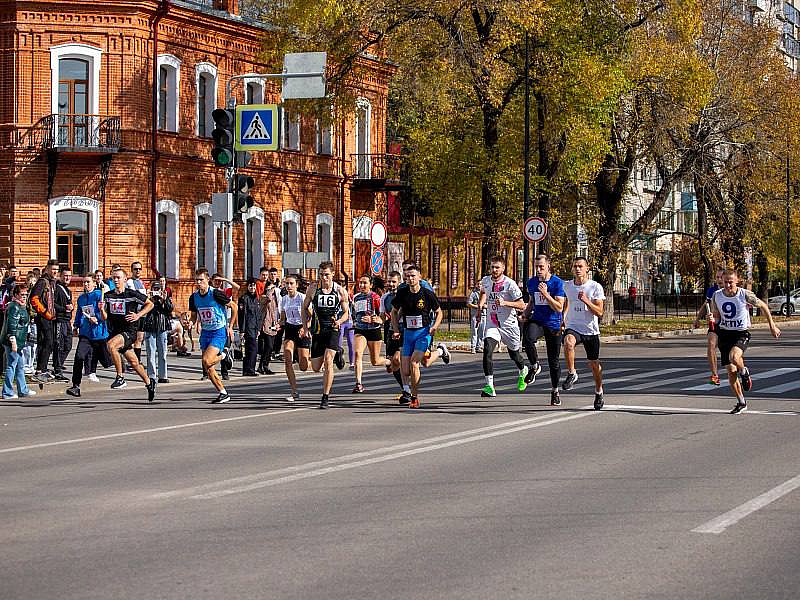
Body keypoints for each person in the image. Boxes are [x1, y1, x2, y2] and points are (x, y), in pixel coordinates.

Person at [710, 268, 781, 414]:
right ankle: (741, 402)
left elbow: (763, 306)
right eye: (725, 282)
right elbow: (717, 317)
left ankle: (744, 371)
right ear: (721, 281)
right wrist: (712, 319)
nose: (728, 285)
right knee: (731, 372)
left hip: (740, 333)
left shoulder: (744, 294)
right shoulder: (716, 296)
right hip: (725, 334)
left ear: (737, 281)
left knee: (734, 357)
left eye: (731, 282)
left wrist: (772, 326)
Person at [390, 264, 449, 408]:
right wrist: (396, 329)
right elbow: (394, 312)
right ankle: (441, 351)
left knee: (414, 363)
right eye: (408, 276)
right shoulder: (403, 292)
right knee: (406, 371)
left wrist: (434, 327)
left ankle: (414, 398)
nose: (410, 279)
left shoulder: (427, 293)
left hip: (423, 333)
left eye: (413, 276)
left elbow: (439, 312)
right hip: (408, 334)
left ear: (419, 277)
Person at [101, 267, 157, 401]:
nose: (115, 280)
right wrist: (101, 309)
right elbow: (105, 316)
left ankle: (120, 377)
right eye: (113, 278)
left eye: (118, 277)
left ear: (125, 280)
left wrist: (138, 315)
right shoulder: (108, 296)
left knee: (111, 346)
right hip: (116, 331)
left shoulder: (131, 294)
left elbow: (150, 304)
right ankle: (149, 383)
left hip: (129, 331)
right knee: (134, 362)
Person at [476, 256, 528, 398]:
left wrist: (505, 303)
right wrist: (480, 309)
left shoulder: (510, 284)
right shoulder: (486, 281)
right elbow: (483, 293)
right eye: (492, 267)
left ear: (503, 268)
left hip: (509, 325)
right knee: (487, 349)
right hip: (492, 323)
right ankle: (490, 386)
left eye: (497, 267)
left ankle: (523, 369)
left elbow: (522, 305)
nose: (494, 270)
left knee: (514, 355)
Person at [301, 261, 349, 409]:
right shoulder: (313, 289)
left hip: (333, 330)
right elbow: (304, 308)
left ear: (333, 274)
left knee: (328, 361)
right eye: (321, 274)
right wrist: (306, 328)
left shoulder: (340, 291)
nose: (324, 277)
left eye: (326, 274)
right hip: (317, 330)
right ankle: (339, 352)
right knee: (316, 367)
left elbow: (347, 313)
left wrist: (339, 321)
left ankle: (325, 397)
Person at [521, 254, 566, 405]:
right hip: (538, 320)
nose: (538, 270)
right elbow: (532, 302)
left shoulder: (557, 283)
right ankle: (534, 366)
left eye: (541, 267)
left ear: (548, 266)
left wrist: (546, 294)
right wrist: (525, 314)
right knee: (528, 338)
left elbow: (559, 307)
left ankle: (555, 391)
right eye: (536, 267)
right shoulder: (532, 282)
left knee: (554, 361)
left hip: (553, 323)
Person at [562, 257, 606, 410]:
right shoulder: (567, 286)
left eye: (580, 266)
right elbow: (567, 302)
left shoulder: (595, 287)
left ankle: (599, 391)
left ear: (587, 268)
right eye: (575, 266)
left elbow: (600, 312)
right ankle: (572, 373)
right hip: (573, 326)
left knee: (594, 364)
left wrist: (587, 301)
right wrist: (563, 317)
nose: (577, 269)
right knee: (568, 342)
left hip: (590, 330)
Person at [190, 268, 237, 403]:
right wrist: (190, 323)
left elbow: (233, 306)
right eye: (197, 280)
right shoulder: (194, 297)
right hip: (206, 332)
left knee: (206, 360)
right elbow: (194, 316)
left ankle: (224, 355)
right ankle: (223, 393)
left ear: (208, 280)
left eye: (202, 280)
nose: (199, 283)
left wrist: (230, 326)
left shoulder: (215, 293)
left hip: (218, 331)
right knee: (208, 367)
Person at [66, 276, 113, 397]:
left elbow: (104, 316)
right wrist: (76, 326)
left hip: (99, 334)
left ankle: (120, 364)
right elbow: (79, 312)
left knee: (107, 362)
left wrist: (96, 317)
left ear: (93, 283)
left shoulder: (99, 295)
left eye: (88, 282)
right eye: (84, 282)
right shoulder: (81, 298)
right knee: (79, 356)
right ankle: (75, 385)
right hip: (85, 333)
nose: (86, 284)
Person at [351, 274, 386, 393]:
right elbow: (353, 313)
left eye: (365, 283)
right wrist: (354, 322)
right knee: (357, 353)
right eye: (360, 283)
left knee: (375, 361)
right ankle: (358, 383)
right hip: (360, 330)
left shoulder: (375, 297)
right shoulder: (356, 297)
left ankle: (389, 362)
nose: (361, 285)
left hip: (373, 330)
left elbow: (383, 315)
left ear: (371, 285)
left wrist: (376, 320)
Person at [1, 284, 36, 399]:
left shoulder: (21, 306)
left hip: (19, 341)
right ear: (16, 295)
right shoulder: (14, 307)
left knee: (20, 366)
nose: (24, 297)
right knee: (11, 365)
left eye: (26, 295)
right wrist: (13, 342)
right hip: (13, 341)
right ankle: (7, 392)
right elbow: (12, 326)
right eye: (22, 295)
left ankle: (23, 390)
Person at [280, 274, 310, 402]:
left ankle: (310, 359)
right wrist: (278, 325)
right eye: (287, 283)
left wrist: (305, 328)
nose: (289, 286)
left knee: (303, 366)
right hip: (290, 329)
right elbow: (282, 319)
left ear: (297, 285)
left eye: (291, 283)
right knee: (287, 355)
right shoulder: (284, 299)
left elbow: (312, 317)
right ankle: (294, 391)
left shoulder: (302, 298)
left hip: (302, 329)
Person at [29, 259, 59, 384]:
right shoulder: (43, 282)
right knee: (48, 342)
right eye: (53, 269)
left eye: (57, 270)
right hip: (43, 318)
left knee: (46, 343)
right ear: (47, 269)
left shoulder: (52, 282)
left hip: (50, 317)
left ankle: (41, 370)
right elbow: (34, 299)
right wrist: (45, 313)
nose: (55, 272)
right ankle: (41, 370)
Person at [694, 268, 725, 385]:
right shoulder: (712, 291)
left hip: (730, 325)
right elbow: (705, 304)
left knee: (732, 356)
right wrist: (697, 319)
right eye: (717, 277)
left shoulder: (733, 291)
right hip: (715, 323)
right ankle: (714, 375)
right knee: (711, 344)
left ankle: (741, 370)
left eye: (721, 277)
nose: (719, 280)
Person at [380, 270, 407, 402]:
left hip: (404, 329)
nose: (391, 284)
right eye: (389, 281)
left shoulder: (405, 295)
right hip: (390, 330)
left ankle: (407, 389)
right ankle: (404, 388)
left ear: (399, 282)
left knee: (398, 359)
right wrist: (381, 319)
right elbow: (382, 315)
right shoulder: (385, 297)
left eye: (394, 282)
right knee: (393, 364)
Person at [143, 280, 173, 383]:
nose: (156, 291)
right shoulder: (148, 299)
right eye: (154, 289)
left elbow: (170, 309)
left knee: (163, 352)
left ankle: (163, 375)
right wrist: (148, 298)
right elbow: (143, 309)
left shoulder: (164, 298)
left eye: (158, 289)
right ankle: (151, 375)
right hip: (150, 327)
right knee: (150, 352)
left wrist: (164, 299)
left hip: (162, 327)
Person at [211, 273, 239, 380]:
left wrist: (225, 279)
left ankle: (224, 372)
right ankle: (207, 373)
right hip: (209, 324)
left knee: (223, 349)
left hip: (222, 323)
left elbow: (237, 287)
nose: (218, 283)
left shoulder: (223, 292)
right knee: (207, 350)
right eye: (216, 281)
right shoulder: (208, 293)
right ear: (211, 281)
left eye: (219, 281)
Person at [238, 278, 262, 376]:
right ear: (247, 287)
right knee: (252, 349)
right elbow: (242, 315)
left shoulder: (256, 299)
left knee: (250, 349)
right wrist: (242, 330)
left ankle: (248, 369)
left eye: (254, 286)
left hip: (255, 328)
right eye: (250, 286)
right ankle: (249, 369)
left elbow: (258, 315)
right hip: (248, 328)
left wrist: (259, 328)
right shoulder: (244, 298)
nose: (252, 288)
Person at [53, 267, 74, 380]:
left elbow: (70, 305)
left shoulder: (68, 291)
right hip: (59, 320)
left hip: (67, 320)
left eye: (69, 276)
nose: (67, 278)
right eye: (65, 275)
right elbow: (52, 304)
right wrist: (63, 309)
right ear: (60, 276)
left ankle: (59, 365)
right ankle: (58, 370)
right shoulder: (56, 289)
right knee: (59, 345)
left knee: (68, 345)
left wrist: (71, 308)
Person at [124, 261, 148, 365]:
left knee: (140, 338)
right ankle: (132, 362)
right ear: (131, 270)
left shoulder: (141, 282)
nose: (138, 271)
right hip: (134, 314)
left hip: (142, 313)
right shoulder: (129, 282)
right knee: (133, 339)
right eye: (135, 269)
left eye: (139, 269)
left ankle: (137, 361)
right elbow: (135, 297)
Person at [257, 279, 280, 375]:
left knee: (269, 347)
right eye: (270, 288)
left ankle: (263, 366)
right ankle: (263, 366)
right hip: (264, 325)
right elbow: (268, 299)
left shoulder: (276, 299)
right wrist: (270, 290)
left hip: (273, 324)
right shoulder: (264, 297)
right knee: (268, 346)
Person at [467, 284, 485, 353]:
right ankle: (473, 347)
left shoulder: (485, 293)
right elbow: (468, 303)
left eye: (481, 284)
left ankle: (479, 346)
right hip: (475, 315)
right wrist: (477, 306)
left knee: (482, 331)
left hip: (483, 314)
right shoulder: (473, 293)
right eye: (478, 284)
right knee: (474, 331)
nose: (480, 285)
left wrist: (485, 306)